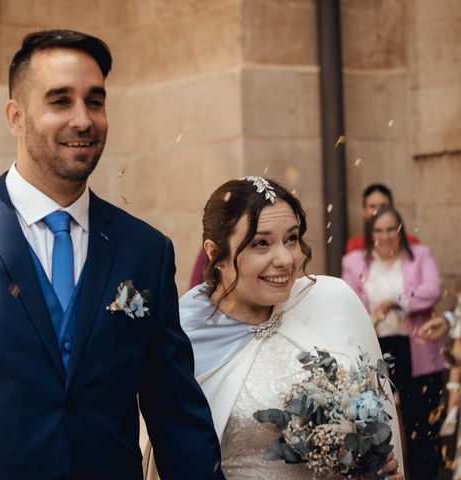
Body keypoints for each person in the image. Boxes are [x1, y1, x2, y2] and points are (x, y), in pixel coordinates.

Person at [0, 30, 223, 479]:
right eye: (60, 101)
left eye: (94, 101)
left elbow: (178, 420)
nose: (83, 119)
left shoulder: (146, 250)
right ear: (15, 117)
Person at [145, 177, 403, 479]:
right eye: (261, 243)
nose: (285, 259)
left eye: (291, 238)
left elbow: (377, 431)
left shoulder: (331, 303)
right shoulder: (182, 335)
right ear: (215, 253)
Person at [342, 205, 445, 479]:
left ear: (400, 230)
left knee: (420, 424)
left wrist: (398, 302)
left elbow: (432, 289)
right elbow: (349, 301)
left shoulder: (419, 256)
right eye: (378, 230)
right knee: (380, 420)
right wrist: (372, 314)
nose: (385, 236)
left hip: (416, 349)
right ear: (369, 232)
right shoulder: (355, 262)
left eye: (391, 229)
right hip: (376, 348)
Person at [346, 183, 419, 253]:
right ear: (364, 211)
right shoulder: (355, 246)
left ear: (392, 208)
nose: (378, 211)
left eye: (383, 206)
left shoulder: (410, 242)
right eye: (372, 206)